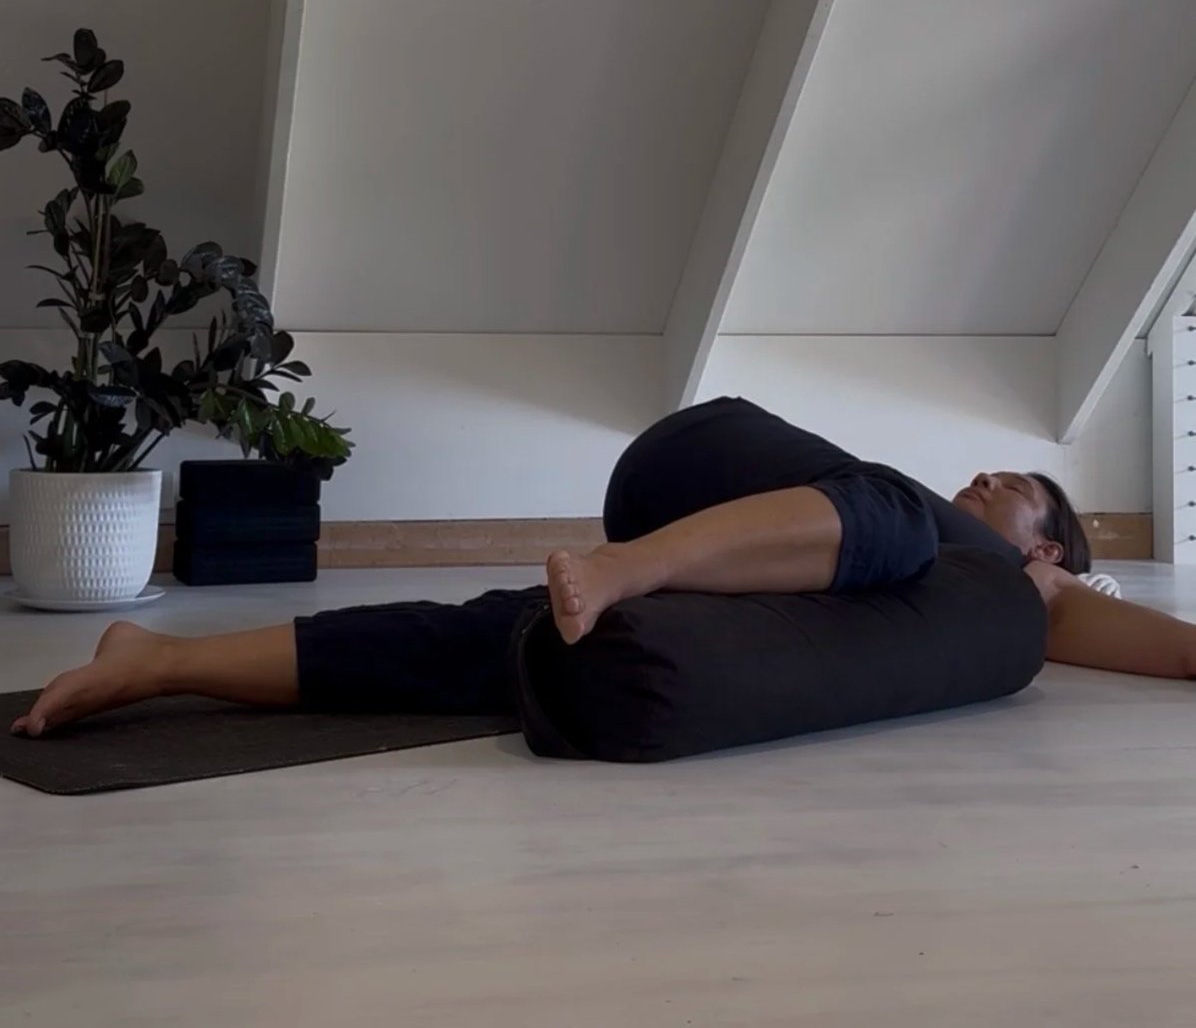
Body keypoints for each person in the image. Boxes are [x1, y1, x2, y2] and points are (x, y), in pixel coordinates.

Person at [11, 397, 1196, 739]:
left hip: (711, 554)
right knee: (891, 511)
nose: (981, 486)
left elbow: (1149, 642)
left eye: (1010, 491)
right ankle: (626, 568)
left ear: (1046, 545)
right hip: (703, 455)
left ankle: (158, 657)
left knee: (507, 640)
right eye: (982, 478)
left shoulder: (1020, 588)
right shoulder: (918, 529)